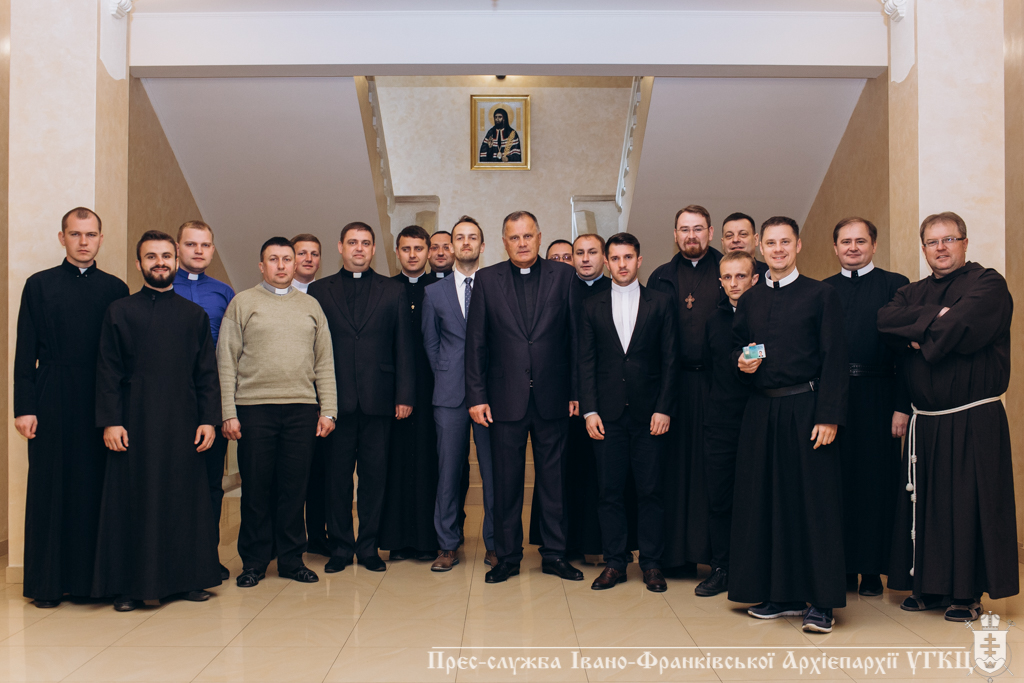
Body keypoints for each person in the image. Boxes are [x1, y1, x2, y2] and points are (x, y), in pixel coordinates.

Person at [878, 211, 1018, 622]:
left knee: (968, 504)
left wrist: (917, 333)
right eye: (932, 242)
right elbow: (885, 322)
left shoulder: (988, 284)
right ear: (923, 248)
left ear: (965, 243)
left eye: (949, 239)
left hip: (973, 417)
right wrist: (936, 320)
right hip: (926, 419)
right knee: (927, 506)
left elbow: (964, 324)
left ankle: (965, 593)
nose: (941, 248)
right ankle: (928, 587)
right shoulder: (911, 290)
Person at [729, 216, 848, 634]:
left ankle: (822, 602)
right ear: (760, 248)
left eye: (786, 242)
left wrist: (829, 415)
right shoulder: (751, 299)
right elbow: (735, 347)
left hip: (807, 409)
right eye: (771, 243)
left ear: (798, 246)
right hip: (762, 411)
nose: (778, 249)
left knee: (813, 505)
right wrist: (740, 362)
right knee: (768, 503)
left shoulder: (821, 294)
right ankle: (782, 595)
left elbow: (835, 357)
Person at [92, 230, 222, 611]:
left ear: (176, 262)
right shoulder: (119, 311)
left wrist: (208, 420)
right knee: (131, 502)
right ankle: (127, 587)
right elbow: (108, 371)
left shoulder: (194, 316)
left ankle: (188, 580)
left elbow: (206, 373)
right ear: (139, 264)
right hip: (133, 421)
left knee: (184, 500)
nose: (160, 263)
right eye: (152, 257)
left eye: (166, 256)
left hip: (183, 421)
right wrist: (111, 421)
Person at [14, 207, 128, 608]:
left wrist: (120, 411)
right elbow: (25, 350)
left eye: (91, 234)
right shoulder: (39, 285)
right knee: (50, 488)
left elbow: (122, 356)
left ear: (101, 239)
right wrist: (24, 407)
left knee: (96, 487)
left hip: (100, 398)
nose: (84, 241)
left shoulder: (115, 289)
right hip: (52, 396)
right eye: (76, 234)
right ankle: (48, 585)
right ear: (62, 238)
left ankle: (93, 583)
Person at [466, 210, 583, 584]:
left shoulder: (563, 276)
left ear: (539, 237)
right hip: (503, 400)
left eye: (528, 236)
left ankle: (555, 555)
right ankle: (507, 557)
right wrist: (476, 396)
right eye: (514, 237)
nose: (521, 243)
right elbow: (476, 343)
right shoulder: (487, 280)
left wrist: (577, 391)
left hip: (554, 397)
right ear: (504, 242)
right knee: (506, 484)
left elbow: (576, 339)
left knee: (554, 483)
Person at [218, 236, 338, 587]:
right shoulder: (243, 303)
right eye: (274, 259)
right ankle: (254, 563)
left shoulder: (311, 306)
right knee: (256, 489)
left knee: (294, 489)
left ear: (295, 263)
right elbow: (226, 360)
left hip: (302, 409)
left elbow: (324, 361)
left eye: (287, 259)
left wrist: (329, 410)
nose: (282, 265)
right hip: (254, 409)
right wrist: (228, 411)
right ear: (262, 265)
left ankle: (291, 560)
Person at [308, 222, 415, 573]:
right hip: (335, 402)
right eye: (352, 242)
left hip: (379, 401)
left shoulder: (393, 290)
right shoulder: (319, 290)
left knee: (374, 479)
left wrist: (404, 395)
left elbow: (404, 346)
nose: (359, 248)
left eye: (365, 243)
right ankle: (341, 547)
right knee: (337, 480)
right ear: (340, 247)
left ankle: (368, 547)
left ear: (373, 249)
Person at [580, 233, 676, 593]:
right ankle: (615, 563)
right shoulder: (591, 305)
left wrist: (664, 408)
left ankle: (651, 564)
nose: (622, 264)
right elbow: (585, 362)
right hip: (606, 416)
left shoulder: (661, 303)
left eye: (628, 257)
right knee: (609, 492)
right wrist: (589, 410)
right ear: (607, 262)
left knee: (650, 491)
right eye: (616, 258)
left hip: (650, 415)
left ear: (639, 260)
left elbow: (670, 361)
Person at [823, 217, 910, 598]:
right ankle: (841, 567)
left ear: (874, 245)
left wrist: (902, 406)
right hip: (836, 397)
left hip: (880, 396)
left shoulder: (896, 286)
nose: (853, 248)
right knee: (836, 483)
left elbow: (907, 354)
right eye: (846, 241)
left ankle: (873, 569)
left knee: (876, 484)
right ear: (835, 248)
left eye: (861, 241)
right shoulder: (822, 290)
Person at [648, 204, 721, 574]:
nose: (691, 236)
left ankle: (718, 556)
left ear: (710, 232)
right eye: (684, 229)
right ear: (674, 235)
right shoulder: (660, 277)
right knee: (673, 471)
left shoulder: (728, 271)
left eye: (698, 228)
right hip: (673, 387)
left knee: (714, 470)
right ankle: (677, 557)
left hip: (717, 386)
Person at [423, 216, 498, 570]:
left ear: (482, 245)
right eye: (459, 238)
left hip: (492, 394)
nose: (466, 243)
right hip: (449, 394)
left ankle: (495, 543)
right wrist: (449, 372)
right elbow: (431, 343)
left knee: (493, 473)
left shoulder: (496, 285)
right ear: (451, 246)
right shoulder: (433, 292)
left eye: (472, 237)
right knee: (448, 472)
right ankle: (447, 545)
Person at [694, 250, 758, 597]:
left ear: (754, 279)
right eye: (728, 278)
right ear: (720, 282)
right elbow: (709, 368)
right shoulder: (712, 320)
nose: (734, 284)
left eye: (741, 276)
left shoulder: (767, 316)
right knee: (720, 498)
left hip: (760, 419)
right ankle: (722, 568)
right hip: (720, 423)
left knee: (759, 497)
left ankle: (758, 569)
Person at [174, 220, 236, 581]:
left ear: (212, 250)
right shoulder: (163, 286)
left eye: (205, 245)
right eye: (191, 244)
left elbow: (234, 349)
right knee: (173, 481)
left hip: (211, 398)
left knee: (211, 483)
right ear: (178, 248)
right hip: (170, 401)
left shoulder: (225, 293)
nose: (199, 251)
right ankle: (171, 559)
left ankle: (206, 558)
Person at [378, 225, 440, 562]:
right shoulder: (386, 289)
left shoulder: (440, 289)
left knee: (430, 463)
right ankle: (397, 540)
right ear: (397, 252)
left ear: (428, 252)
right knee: (396, 464)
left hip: (433, 389)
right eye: (406, 249)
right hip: (394, 392)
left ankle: (429, 540)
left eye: (419, 248)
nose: (413, 255)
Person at [291, 233, 328, 554]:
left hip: (320, 399)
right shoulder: (275, 294)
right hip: (288, 398)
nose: (308, 259)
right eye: (301, 253)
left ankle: (317, 536)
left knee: (320, 473)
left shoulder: (326, 295)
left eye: (314, 254)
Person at [720, 212, 769, 277]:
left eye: (743, 234)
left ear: (755, 239)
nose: (735, 240)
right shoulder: (714, 275)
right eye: (729, 235)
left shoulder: (770, 274)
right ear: (723, 243)